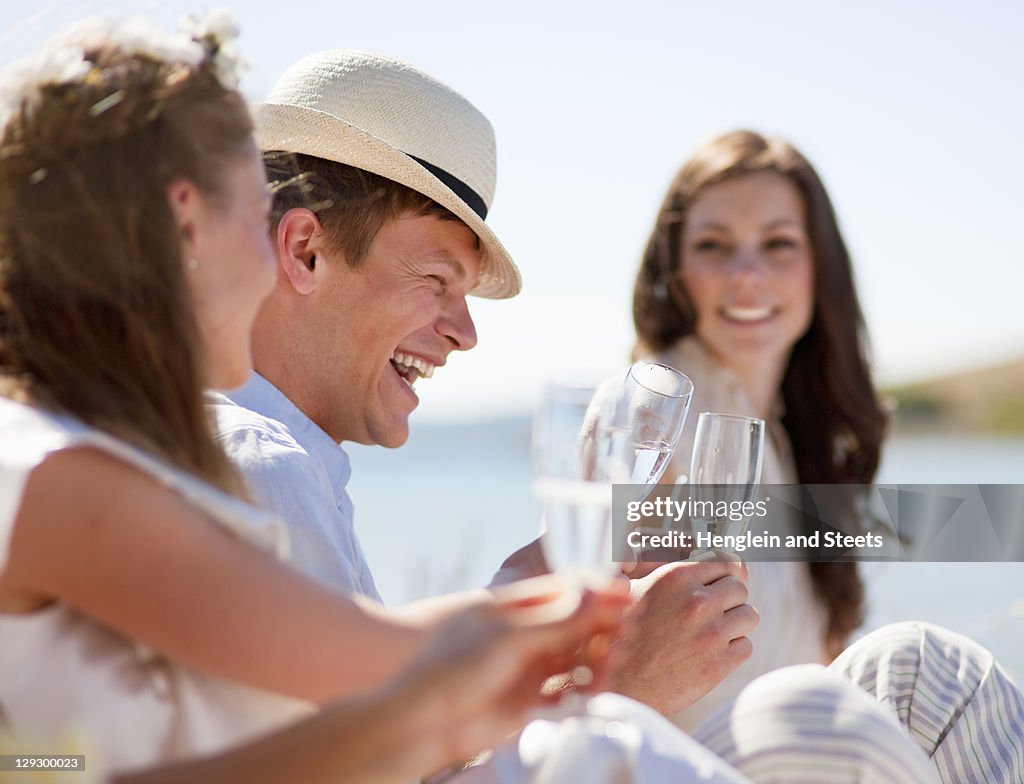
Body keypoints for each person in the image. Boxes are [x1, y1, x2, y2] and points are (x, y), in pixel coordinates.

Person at [0, 15, 626, 780]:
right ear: (188, 227)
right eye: (249, 207)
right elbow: (376, 664)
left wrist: (517, 632)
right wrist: (595, 651)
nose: (270, 243)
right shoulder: (73, 477)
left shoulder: (58, 451)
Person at [209, 48, 759, 719]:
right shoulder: (267, 472)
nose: (466, 333)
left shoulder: (272, 461)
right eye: (437, 281)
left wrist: (540, 578)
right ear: (305, 252)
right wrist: (617, 691)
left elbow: (382, 732)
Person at [630, 129, 888, 730]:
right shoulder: (654, 414)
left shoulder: (793, 433)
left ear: (820, 268)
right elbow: (592, 666)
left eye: (778, 244)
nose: (747, 274)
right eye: (714, 246)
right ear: (677, 271)